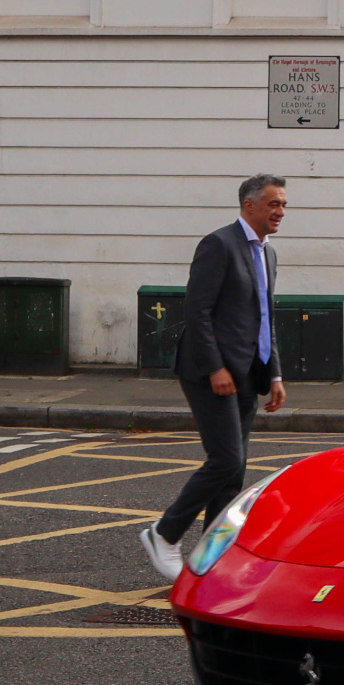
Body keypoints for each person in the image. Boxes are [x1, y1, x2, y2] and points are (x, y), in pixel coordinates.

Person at [138, 174, 288, 580]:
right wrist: (215, 367)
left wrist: (274, 372)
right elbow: (196, 312)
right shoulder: (219, 244)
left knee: (233, 473)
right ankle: (164, 534)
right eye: (273, 204)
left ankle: (212, 559)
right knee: (225, 460)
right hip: (212, 373)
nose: (280, 212)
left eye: (283, 205)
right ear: (249, 206)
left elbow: (265, 317)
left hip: (249, 373)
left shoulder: (267, 253)